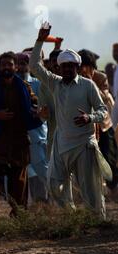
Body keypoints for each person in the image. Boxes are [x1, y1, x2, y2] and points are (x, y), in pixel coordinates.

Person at [30, 24, 109, 219]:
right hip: (61, 144)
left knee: (90, 190)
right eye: (63, 65)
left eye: (70, 66)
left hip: (84, 144)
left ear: (77, 67)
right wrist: (40, 40)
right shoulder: (54, 83)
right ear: (59, 67)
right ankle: (72, 218)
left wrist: (89, 117)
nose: (66, 69)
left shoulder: (87, 85)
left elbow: (103, 110)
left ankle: (97, 223)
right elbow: (34, 67)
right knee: (54, 185)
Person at [0, 52, 42, 216]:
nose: (6, 67)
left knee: (19, 180)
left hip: (19, 140)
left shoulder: (24, 87)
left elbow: (35, 106)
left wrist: (36, 111)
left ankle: (19, 215)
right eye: (3, 65)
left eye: (10, 64)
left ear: (15, 67)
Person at [78, 49, 118, 199]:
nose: (83, 69)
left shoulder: (100, 77)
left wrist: (91, 84)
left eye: (85, 65)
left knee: (108, 156)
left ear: (91, 66)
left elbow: (105, 98)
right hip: (86, 126)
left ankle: (111, 186)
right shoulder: (76, 78)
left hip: (103, 125)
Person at [17, 51, 49, 203]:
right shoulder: (12, 85)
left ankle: (55, 201)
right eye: (18, 64)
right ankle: (30, 206)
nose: (21, 67)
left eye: (24, 64)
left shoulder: (37, 84)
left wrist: (40, 112)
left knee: (43, 170)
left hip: (38, 135)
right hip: (19, 136)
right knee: (24, 172)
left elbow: (47, 108)